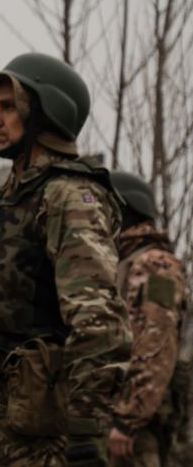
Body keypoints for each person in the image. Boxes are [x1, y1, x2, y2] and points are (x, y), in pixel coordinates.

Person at [0, 52, 132, 466]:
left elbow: (100, 324)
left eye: (8, 107)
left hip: (26, 429)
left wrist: (84, 430)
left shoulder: (68, 196)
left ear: (44, 112)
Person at [107, 171, 188, 467]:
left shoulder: (155, 264)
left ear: (125, 209)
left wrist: (129, 419)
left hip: (135, 431)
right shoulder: (123, 261)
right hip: (117, 419)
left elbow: (158, 341)